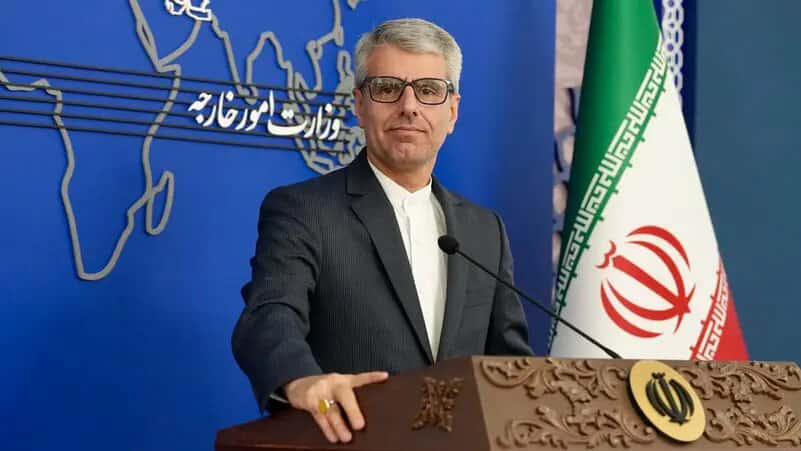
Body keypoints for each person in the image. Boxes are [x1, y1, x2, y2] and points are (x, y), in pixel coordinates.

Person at [232, 17, 533, 444]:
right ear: (359, 105)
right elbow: (269, 314)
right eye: (388, 88)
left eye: (429, 90)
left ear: (452, 111)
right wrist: (302, 381)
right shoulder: (304, 210)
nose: (409, 106)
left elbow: (510, 368)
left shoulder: (485, 230)